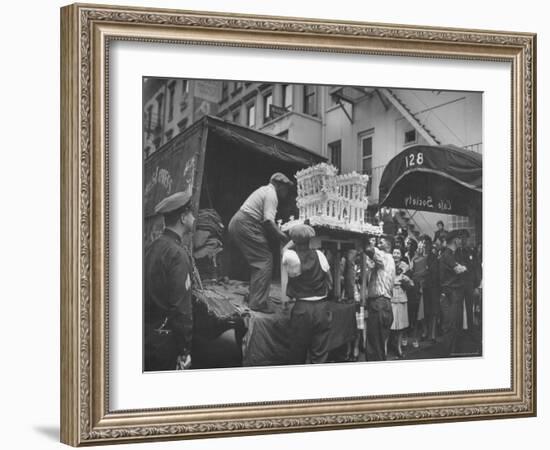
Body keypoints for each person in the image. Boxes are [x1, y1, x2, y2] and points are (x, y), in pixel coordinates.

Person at [144, 190, 196, 371]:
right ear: (183, 218)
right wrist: (184, 350)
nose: (194, 218)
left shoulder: (152, 247)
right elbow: (181, 310)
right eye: (191, 213)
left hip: (147, 337)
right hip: (165, 345)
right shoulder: (178, 254)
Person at [228, 173, 293, 313]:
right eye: (285, 189)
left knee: (258, 261)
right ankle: (258, 303)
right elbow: (268, 221)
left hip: (240, 222)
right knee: (264, 260)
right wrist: (282, 236)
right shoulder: (271, 194)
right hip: (245, 223)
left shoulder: (264, 190)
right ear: (279, 185)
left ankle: (255, 296)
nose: (286, 193)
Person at [282, 224, 333, 364]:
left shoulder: (291, 257)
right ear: (311, 239)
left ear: (294, 240)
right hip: (322, 307)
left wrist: (294, 238)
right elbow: (329, 279)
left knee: (297, 353)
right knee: (320, 353)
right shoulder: (319, 254)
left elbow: (284, 249)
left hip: (303, 309)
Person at [364, 234, 396, 361]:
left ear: (388, 245)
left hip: (379, 304)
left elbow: (370, 250)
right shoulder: (388, 260)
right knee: (378, 345)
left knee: (375, 346)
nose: (378, 244)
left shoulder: (386, 257)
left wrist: (363, 238)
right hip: (383, 304)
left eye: (381, 242)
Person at [438, 229, 468, 356]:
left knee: (454, 326)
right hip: (450, 295)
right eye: (460, 239)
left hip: (453, 294)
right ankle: (448, 354)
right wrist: (465, 267)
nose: (462, 241)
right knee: (450, 326)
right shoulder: (448, 255)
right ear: (455, 240)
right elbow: (459, 270)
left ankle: (451, 353)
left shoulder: (451, 254)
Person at [390, 248, 412, 358]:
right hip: (390, 294)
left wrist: (406, 280)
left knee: (401, 325)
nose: (396, 255)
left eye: (398, 253)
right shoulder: (388, 264)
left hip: (402, 295)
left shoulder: (405, 266)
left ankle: (398, 346)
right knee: (389, 323)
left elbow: (410, 283)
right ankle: (386, 346)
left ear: (401, 255)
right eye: (394, 253)